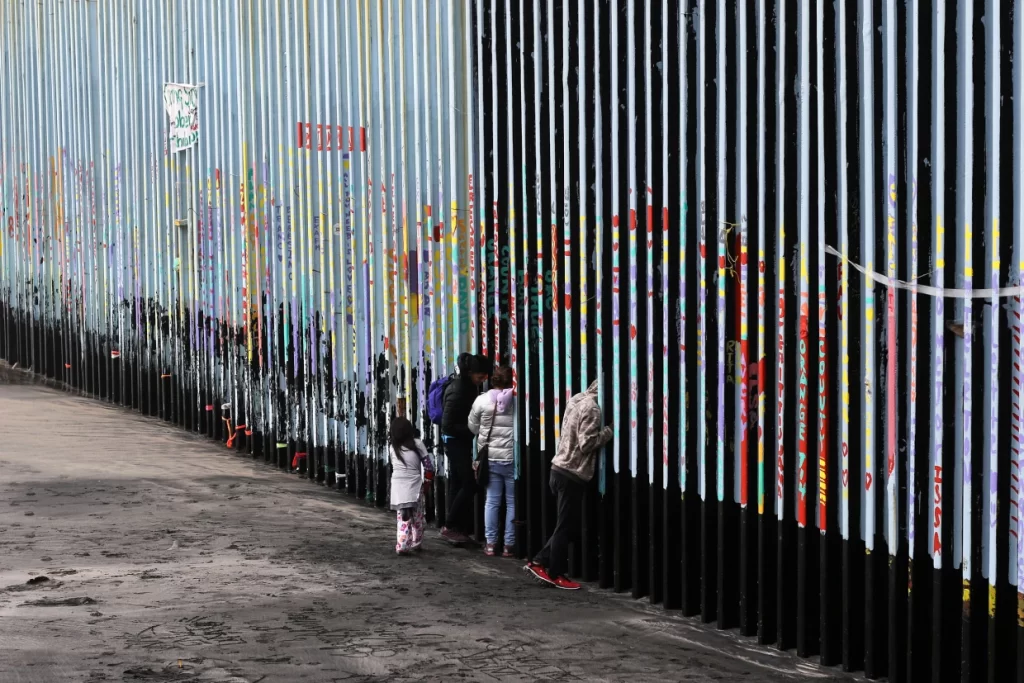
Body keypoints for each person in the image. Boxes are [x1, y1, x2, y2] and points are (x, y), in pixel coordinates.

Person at [526, 380, 612, 590]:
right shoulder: (593, 409)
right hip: (572, 474)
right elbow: (586, 443)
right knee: (565, 528)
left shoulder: (577, 399)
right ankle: (554, 572)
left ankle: (539, 561)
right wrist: (609, 431)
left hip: (558, 469)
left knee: (567, 526)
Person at [440, 352, 490, 544]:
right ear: (471, 372)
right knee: (470, 484)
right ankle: (450, 525)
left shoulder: (466, 386)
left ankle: (456, 528)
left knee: (457, 483)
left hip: (455, 440)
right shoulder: (460, 390)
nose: (483, 379)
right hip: (454, 441)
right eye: (481, 375)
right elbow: (447, 424)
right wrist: (471, 430)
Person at [468, 365, 516, 557]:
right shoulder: (516, 401)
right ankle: (508, 546)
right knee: (512, 503)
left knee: (492, 502)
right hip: (512, 458)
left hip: (490, 458)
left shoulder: (481, 400)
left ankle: (490, 544)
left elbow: (472, 427)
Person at [389, 416, 434, 555]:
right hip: (415, 485)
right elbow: (429, 467)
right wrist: (427, 484)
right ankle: (416, 542)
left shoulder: (392, 447)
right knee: (418, 516)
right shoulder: (417, 444)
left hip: (398, 485)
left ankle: (402, 545)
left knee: (402, 519)